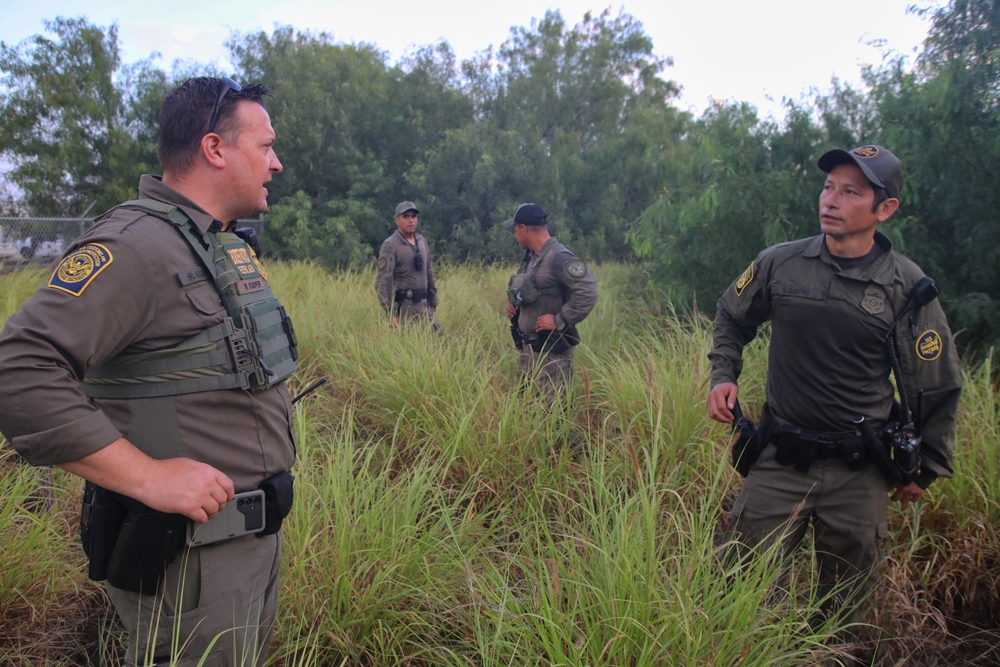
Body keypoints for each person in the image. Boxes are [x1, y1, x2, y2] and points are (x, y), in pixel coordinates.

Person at [0, 76, 297, 667]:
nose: (277, 163)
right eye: (264, 147)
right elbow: (18, 369)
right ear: (215, 149)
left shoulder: (212, 244)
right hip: (188, 563)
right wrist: (146, 477)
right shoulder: (134, 246)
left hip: (245, 546)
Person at [707, 145, 962, 651]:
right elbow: (732, 315)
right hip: (779, 460)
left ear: (884, 208)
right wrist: (723, 374)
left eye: (851, 192)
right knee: (740, 591)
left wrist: (926, 467)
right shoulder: (781, 262)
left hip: (859, 470)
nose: (831, 200)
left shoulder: (905, 285)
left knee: (846, 616)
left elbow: (934, 378)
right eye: (828, 187)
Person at [503, 203, 598, 400]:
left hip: (551, 352)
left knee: (554, 412)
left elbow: (588, 291)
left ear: (524, 229)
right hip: (529, 349)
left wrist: (560, 318)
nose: (515, 236)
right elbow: (535, 290)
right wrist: (516, 306)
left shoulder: (559, 256)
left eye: (515, 230)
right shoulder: (531, 257)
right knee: (528, 409)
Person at [375, 201, 440, 331]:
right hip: (405, 307)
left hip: (423, 305)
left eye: (413, 216)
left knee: (437, 341)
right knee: (408, 346)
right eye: (406, 216)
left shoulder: (421, 241)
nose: (411, 220)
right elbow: (383, 280)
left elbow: (428, 272)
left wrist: (432, 298)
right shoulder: (390, 244)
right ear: (397, 220)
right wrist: (391, 313)